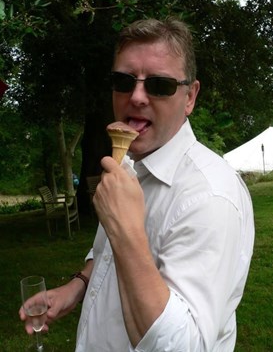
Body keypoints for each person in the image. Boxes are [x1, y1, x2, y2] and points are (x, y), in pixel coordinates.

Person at [20, 18, 255, 351]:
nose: (137, 96)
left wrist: (125, 231)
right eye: (123, 81)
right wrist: (77, 286)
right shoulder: (128, 167)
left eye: (159, 85)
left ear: (190, 96)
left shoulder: (210, 197)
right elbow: (104, 254)